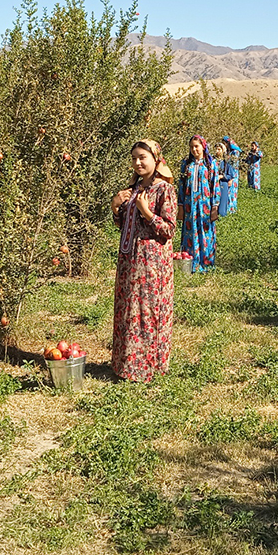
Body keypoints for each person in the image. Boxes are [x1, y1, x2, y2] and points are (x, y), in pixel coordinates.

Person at [110, 140, 176, 381]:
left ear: (155, 160)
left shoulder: (164, 190)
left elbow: (168, 229)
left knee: (147, 312)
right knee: (129, 311)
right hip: (129, 262)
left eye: (143, 158)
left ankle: (149, 368)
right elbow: (124, 225)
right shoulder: (133, 189)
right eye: (134, 158)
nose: (138, 163)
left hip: (152, 265)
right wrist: (116, 208)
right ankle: (126, 366)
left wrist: (147, 212)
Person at [178, 135, 219, 271]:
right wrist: (181, 205)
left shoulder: (210, 164)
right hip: (190, 206)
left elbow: (215, 186)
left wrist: (215, 207)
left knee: (205, 231)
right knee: (191, 231)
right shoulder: (186, 165)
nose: (194, 149)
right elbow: (181, 186)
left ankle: (205, 262)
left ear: (203, 146)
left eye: (196, 146)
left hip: (205, 205)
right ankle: (191, 263)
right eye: (191, 147)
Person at [215, 142, 237, 217]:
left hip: (222, 184)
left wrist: (221, 176)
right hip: (214, 184)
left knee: (222, 204)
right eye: (216, 149)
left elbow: (230, 175)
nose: (217, 151)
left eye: (219, 149)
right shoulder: (212, 161)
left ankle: (222, 217)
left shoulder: (226, 162)